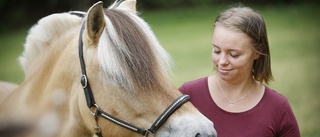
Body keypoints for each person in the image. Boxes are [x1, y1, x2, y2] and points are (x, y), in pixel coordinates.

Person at [178, 6, 300, 137]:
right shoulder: (187, 95)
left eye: (234, 54)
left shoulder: (278, 108)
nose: (222, 61)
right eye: (217, 51)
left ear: (258, 52)